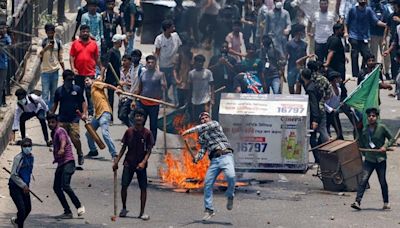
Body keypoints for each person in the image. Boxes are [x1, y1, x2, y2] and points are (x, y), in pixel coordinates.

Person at [182, 112, 235, 221]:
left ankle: (230, 195)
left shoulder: (215, 124)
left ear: (210, 119)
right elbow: (203, 150)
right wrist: (197, 158)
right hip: (214, 160)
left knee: (231, 176)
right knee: (207, 184)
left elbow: (205, 126)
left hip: (226, 155)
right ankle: (209, 210)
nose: (204, 119)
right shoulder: (202, 137)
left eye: (206, 117)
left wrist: (188, 131)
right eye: (202, 118)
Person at [113, 108, 154, 220]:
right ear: (134, 118)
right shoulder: (129, 132)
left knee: (143, 188)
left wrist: (143, 162)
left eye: (141, 116)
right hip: (129, 162)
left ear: (144, 119)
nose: (139, 118)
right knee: (124, 186)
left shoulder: (147, 133)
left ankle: (142, 212)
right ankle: (124, 208)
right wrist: (117, 161)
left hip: (141, 164)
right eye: (137, 116)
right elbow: (123, 148)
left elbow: (149, 150)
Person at [351, 107, 395, 210]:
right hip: (369, 159)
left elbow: (392, 138)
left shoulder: (382, 128)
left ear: (377, 117)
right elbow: (360, 141)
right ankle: (357, 201)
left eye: (373, 116)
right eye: (369, 116)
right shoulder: (364, 129)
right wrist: (362, 150)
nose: (371, 118)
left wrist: (385, 146)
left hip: (380, 159)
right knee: (363, 180)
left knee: (382, 181)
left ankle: (386, 202)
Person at [46, 114, 86, 219]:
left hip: (68, 162)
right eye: (49, 122)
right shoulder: (53, 133)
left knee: (65, 185)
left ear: (57, 122)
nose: (50, 124)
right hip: (61, 163)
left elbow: (63, 139)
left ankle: (79, 206)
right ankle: (67, 211)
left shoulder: (60, 131)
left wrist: (62, 148)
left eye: (53, 122)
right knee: (56, 187)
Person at [51, 70, 88, 166]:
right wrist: (51, 115)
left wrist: (84, 113)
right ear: (64, 80)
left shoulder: (77, 89)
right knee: (61, 139)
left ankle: (79, 153)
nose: (70, 82)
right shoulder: (59, 91)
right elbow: (55, 104)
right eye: (68, 80)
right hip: (62, 118)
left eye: (72, 80)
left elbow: (83, 102)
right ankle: (62, 158)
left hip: (74, 118)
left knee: (75, 138)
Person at [84, 71, 121, 159]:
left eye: (87, 80)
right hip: (97, 115)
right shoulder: (92, 90)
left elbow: (107, 85)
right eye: (85, 81)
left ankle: (114, 154)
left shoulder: (96, 84)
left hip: (105, 112)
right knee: (89, 133)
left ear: (92, 80)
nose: (86, 82)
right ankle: (93, 151)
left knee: (105, 133)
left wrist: (116, 89)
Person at [344, 0, 387, 78]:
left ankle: (363, 71)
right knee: (354, 55)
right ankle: (355, 75)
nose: (362, 1)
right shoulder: (352, 10)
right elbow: (346, 22)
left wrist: (386, 25)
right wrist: (346, 33)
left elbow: (376, 21)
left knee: (367, 55)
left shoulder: (368, 10)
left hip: (364, 37)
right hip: (354, 36)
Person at [70, 24, 100, 117]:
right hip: (78, 73)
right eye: (83, 31)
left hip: (90, 73)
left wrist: (101, 69)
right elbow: (71, 56)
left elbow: (97, 58)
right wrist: (72, 68)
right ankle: (81, 112)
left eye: (87, 31)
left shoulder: (94, 44)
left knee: (89, 94)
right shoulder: (75, 43)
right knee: (79, 93)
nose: (85, 33)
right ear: (80, 32)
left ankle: (91, 113)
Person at [135, 55, 167, 142]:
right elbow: (140, 88)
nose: (150, 64)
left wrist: (164, 86)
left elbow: (164, 87)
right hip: (142, 102)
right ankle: (140, 140)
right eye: (148, 62)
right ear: (146, 63)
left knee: (153, 124)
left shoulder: (160, 74)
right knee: (140, 122)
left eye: (152, 62)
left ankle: (152, 142)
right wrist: (134, 99)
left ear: (155, 63)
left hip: (154, 104)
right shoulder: (143, 74)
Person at [154, 20, 182, 105]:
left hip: (174, 65)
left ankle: (176, 103)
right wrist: (155, 65)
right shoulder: (159, 39)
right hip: (163, 66)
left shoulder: (175, 36)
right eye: (172, 27)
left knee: (175, 84)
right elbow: (157, 52)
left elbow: (180, 49)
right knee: (165, 85)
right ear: (167, 29)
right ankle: (165, 99)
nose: (174, 28)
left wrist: (179, 61)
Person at [8, 138, 34, 228]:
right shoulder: (18, 158)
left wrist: (26, 186)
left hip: (25, 186)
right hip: (15, 187)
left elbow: (28, 173)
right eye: (25, 146)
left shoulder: (31, 158)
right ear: (21, 147)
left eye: (29, 146)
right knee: (22, 210)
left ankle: (17, 221)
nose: (27, 148)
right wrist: (23, 185)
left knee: (28, 208)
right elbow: (13, 175)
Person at [300, 69, 323, 164]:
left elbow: (314, 105)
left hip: (314, 117)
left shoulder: (310, 89)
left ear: (303, 76)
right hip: (316, 115)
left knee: (312, 139)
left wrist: (315, 120)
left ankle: (318, 158)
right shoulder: (311, 85)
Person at [208, 41, 237, 119]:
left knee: (229, 106)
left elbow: (236, 71)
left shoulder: (232, 59)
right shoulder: (214, 58)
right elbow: (209, 70)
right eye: (222, 47)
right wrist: (218, 64)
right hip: (218, 85)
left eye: (226, 47)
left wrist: (227, 63)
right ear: (219, 49)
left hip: (229, 85)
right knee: (216, 106)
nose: (224, 49)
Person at [39, 23, 65, 110]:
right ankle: (44, 112)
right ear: (46, 33)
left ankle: (51, 112)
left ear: (54, 32)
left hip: (55, 71)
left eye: (52, 32)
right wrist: (46, 48)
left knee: (53, 94)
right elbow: (39, 55)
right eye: (48, 32)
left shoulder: (58, 42)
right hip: (45, 71)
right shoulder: (42, 42)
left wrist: (64, 69)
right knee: (45, 94)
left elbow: (60, 57)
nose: (50, 34)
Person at [188, 54, 215, 122]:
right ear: (195, 62)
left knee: (205, 119)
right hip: (195, 101)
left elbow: (212, 85)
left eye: (201, 62)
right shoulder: (191, 73)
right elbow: (190, 87)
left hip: (205, 100)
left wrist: (212, 98)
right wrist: (189, 99)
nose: (200, 63)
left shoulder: (208, 73)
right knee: (196, 120)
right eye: (198, 62)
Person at [369, 0, 391, 80]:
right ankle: (374, 73)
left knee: (386, 55)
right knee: (373, 54)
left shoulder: (384, 6)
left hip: (384, 34)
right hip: (373, 34)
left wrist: (387, 25)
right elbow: (375, 20)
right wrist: (387, 25)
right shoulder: (370, 7)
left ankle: (387, 72)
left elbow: (388, 16)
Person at [104, 34, 125, 118]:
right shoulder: (111, 52)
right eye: (121, 42)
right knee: (111, 98)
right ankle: (110, 116)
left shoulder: (118, 51)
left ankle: (122, 115)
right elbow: (107, 64)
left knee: (122, 96)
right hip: (111, 78)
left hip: (118, 77)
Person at [286, 24, 307, 94]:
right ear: (298, 32)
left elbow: (305, 55)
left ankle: (298, 98)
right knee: (291, 85)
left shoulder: (304, 44)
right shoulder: (289, 44)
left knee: (299, 83)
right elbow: (286, 55)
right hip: (291, 67)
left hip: (301, 67)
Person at [174, 37, 193, 108]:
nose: (189, 47)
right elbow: (175, 70)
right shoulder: (179, 56)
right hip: (180, 84)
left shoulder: (191, 55)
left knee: (188, 104)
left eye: (190, 46)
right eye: (188, 45)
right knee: (179, 104)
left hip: (188, 84)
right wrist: (177, 80)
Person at [325, 71, 344, 140]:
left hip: (335, 114)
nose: (341, 80)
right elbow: (324, 103)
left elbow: (336, 101)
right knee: (326, 133)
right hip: (327, 114)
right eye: (339, 78)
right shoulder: (329, 90)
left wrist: (340, 104)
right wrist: (331, 110)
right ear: (335, 79)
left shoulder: (339, 89)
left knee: (339, 132)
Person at [0, 22, 11, 107]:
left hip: (3, 65)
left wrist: (5, 35)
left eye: (4, 28)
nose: (3, 30)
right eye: (1, 28)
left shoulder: (7, 38)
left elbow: (10, 47)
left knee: (1, 84)